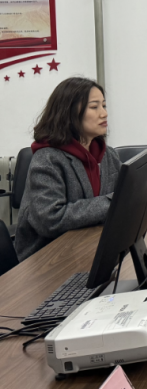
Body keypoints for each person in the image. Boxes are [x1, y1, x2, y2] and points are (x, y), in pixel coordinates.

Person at [15, 77, 120, 262]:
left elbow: (122, 197)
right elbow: (51, 219)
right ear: (69, 113)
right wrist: (112, 202)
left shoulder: (108, 154)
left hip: (90, 246)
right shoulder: (47, 159)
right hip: (48, 260)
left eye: (104, 106)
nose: (104, 113)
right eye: (94, 107)